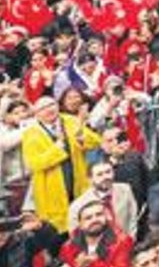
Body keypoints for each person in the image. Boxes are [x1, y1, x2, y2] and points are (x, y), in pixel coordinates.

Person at [22, 96, 101, 232]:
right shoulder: (31, 133)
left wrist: (83, 139)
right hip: (51, 188)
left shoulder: (71, 121)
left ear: (58, 106)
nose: (49, 109)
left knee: (82, 220)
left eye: (51, 105)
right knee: (57, 229)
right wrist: (57, 149)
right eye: (43, 108)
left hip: (77, 180)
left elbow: (96, 141)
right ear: (37, 114)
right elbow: (34, 164)